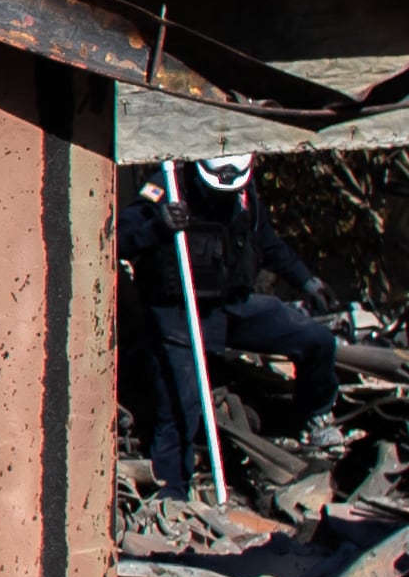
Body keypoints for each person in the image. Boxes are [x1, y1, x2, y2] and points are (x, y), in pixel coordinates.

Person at [119, 155, 338, 488]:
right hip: (179, 312)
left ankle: (310, 418)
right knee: (182, 405)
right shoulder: (167, 184)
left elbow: (265, 240)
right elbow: (119, 237)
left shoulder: (244, 192)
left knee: (316, 340)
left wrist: (307, 281)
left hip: (232, 305)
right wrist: (157, 226)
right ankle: (171, 493)